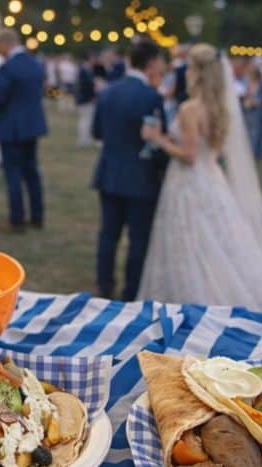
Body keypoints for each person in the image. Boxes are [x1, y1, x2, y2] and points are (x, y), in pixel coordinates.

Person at [138, 44, 262, 317]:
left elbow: (189, 156)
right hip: (213, 178)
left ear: (196, 73)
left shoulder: (190, 109)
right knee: (219, 244)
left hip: (189, 183)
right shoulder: (221, 107)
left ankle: (198, 300)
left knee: (192, 243)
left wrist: (159, 140)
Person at [92, 40, 166, 301]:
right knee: (138, 239)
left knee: (108, 234)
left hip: (109, 172)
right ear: (152, 63)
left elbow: (96, 131)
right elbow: (157, 141)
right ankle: (130, 291)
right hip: (141, 177)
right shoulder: (151, 96)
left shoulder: (108, 92)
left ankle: (104, 285)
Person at [0, 29, 47, 233]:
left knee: (13, 173)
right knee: (32, 172)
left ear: (5, 44)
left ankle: (17, 219)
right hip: (32, 125)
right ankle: (37, 216)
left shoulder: (9, 67)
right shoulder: (35, 64)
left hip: (12, 126)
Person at [76, 54, 96, 147]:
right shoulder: (84, 70)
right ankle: (83, 140)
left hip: (84, 98)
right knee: (85, 120)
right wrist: (91, 96)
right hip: (85, 99)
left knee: (86, 120)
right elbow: (86, 86)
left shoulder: (85, 70)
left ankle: (85, 139)